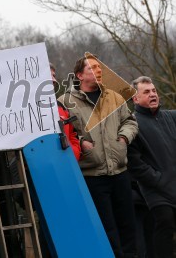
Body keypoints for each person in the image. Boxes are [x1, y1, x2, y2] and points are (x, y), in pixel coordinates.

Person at [59, 54, 138, 257]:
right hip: (92, 177)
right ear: (79, 75)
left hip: (120, 172)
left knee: (128, 226)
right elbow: (63, 134)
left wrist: (123, 139)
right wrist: (81, 142)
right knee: (106, 229)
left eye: (100, 67)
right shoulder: (65, 102)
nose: (99, 70)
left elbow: (130, 122)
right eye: (93, 68)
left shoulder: (114, 97)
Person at [127, 76, 176, 258]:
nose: (153, 94)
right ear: (135, 98)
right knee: (165, 224)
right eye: (146, 92)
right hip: (155, 190)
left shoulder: (172, 116)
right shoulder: (131, 124)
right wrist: (158, 179)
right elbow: (134, 163)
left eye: (154, 91)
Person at [50, 64, 81, 160]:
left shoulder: (60, 106)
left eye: (54, 76)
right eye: (48, 75)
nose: (53, 80)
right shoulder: (27, 112)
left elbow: (72, 134)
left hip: (67, 165)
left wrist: (74, 152)